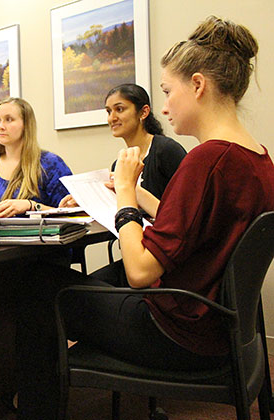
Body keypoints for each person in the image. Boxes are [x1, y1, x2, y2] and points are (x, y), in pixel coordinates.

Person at [16, 16, 274, 419]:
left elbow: (139, 271)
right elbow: (200, 227)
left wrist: (123, 195)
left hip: (176, 333)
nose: (165, 106)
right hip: (215, 324)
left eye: (169, 92)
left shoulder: (208, 159)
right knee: (77, 284)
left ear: (199, 85)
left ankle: (36, 410)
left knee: (35, 288)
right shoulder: (256, 157)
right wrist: (141, 196)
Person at [59, 83, 186, 208]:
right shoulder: (119, 164)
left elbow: (183, 209)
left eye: (119, 109)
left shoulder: (166, 151)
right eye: (109, 111)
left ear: (143, 112)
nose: (111, 118)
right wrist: (83, 203)